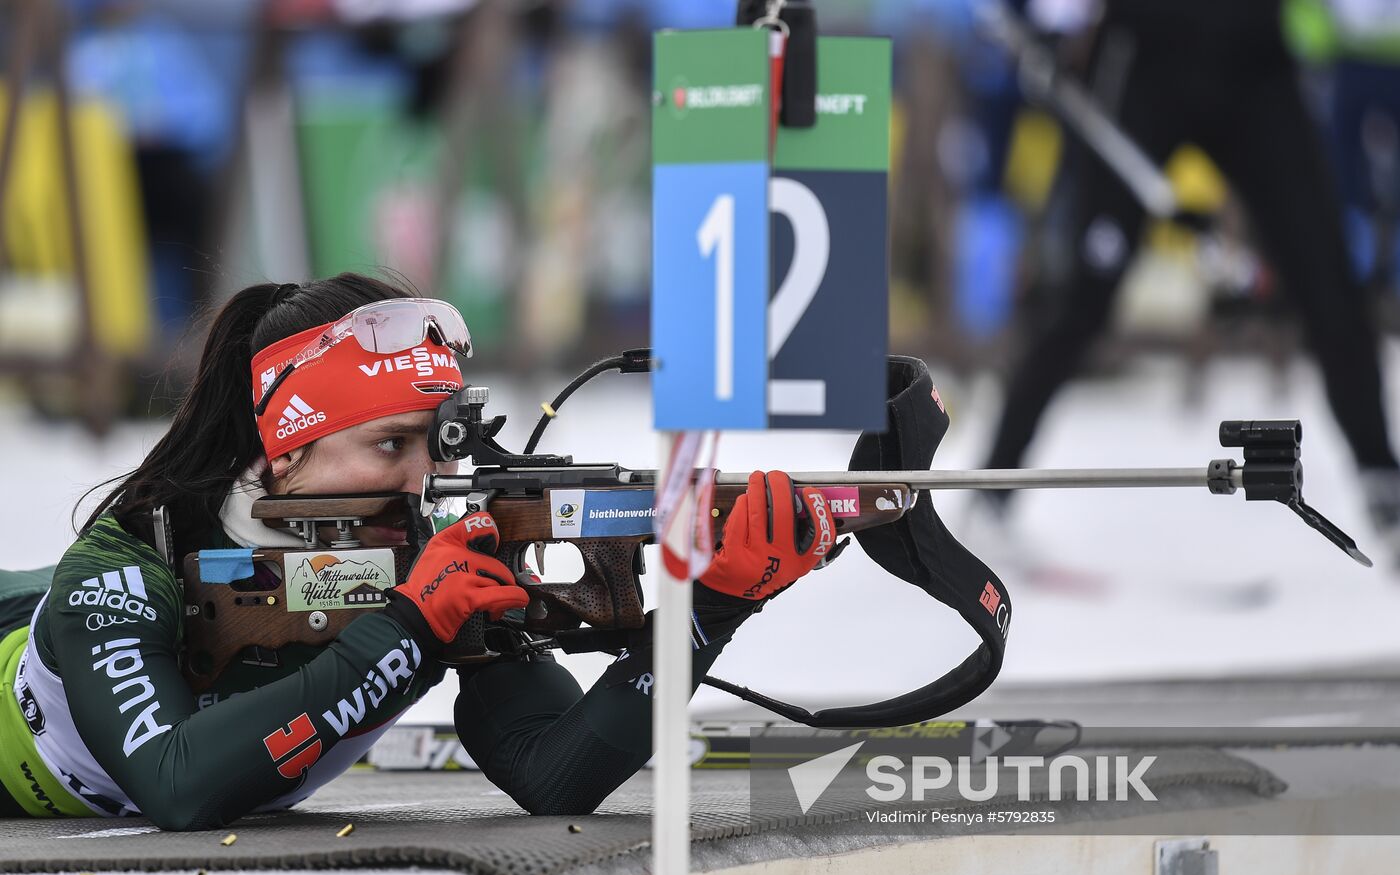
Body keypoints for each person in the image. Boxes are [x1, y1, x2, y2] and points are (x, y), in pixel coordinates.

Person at [0, 273, 832, 827]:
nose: (424, 478)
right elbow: (176, 782)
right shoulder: (127, 564)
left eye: (438, 444)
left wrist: (711, 609)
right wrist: (406, 630)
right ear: (287, 449)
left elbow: (552, 773)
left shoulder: (433, 544)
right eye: (390, 444)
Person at [978, 0, 1400, 567]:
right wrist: (1048, 21)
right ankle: (991, 493)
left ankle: (1383, 484)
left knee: (1325, 277)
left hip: (1256, 63)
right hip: (1146, 57)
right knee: (1086, 291)